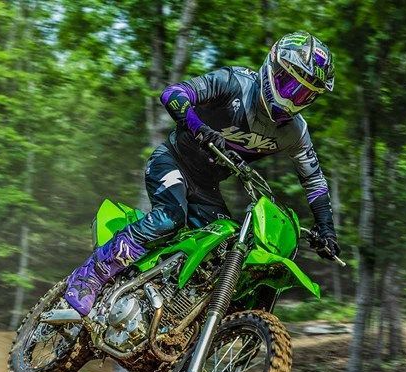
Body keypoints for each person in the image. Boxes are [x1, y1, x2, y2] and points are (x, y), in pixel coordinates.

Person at [63, 31, 343, 315]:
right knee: (169, 218)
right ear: (272, 66)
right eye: (288, 85)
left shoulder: (296, 132)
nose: (292, 99)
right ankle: (89, 277)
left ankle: (167, 312)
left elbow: (314, 179)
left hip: (206, 186)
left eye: (304, 93)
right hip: (173, 160)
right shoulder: (235, 83)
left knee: (226, 248)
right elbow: (173, 93)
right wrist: (198, 127)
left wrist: (327, 230)